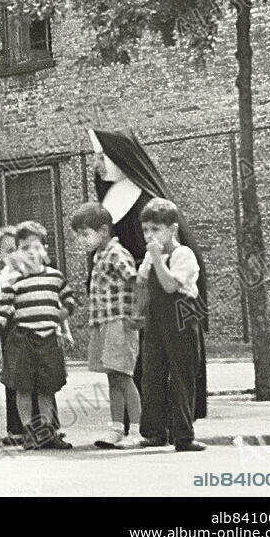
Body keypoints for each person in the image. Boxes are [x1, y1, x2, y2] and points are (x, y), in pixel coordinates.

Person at [89, 128, 208, 427]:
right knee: (146, 367)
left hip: (160, 292)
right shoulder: (113, 195)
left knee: (169, 365)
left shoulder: (146, 197)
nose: (98, 164)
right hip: (127, 296)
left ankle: (175, 423)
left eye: (102, 157)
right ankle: (145, 423)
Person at [0, 221, 75, 450]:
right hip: (23, 340)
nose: (32, 253)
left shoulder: (55, 277)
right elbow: (3, 311)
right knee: (24, 388)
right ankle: (28, 431)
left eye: (36, 247)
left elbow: (68, 299)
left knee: (47, 389)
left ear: (44, 249)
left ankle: (47, 432)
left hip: (48, 340)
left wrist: (62, 315)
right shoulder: (13, 281)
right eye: (25, 248)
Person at [71, 202, 143, 449]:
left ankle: (136, 430)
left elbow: (135, 282)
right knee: (113, 377)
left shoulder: (116, 253)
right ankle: (116, 427)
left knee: (124, 376)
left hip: (118, 323)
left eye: (85, 234)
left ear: (103, 231)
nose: (82, 240)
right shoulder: (99, 255)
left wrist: (136, 314)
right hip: (103, 322)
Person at [137, 197, 206, 452]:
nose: (149, 236)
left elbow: (169, 285)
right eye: (145, 230)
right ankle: (154, 431)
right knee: (152, 372)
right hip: (157, 316)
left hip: (182, 313)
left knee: (182, 374)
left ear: (172, 229)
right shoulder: (151, 255)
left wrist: (156, 259)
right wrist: (138, 311)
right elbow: (143, 282)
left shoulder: (182, 254)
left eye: (155, 229)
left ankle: (184, 434)